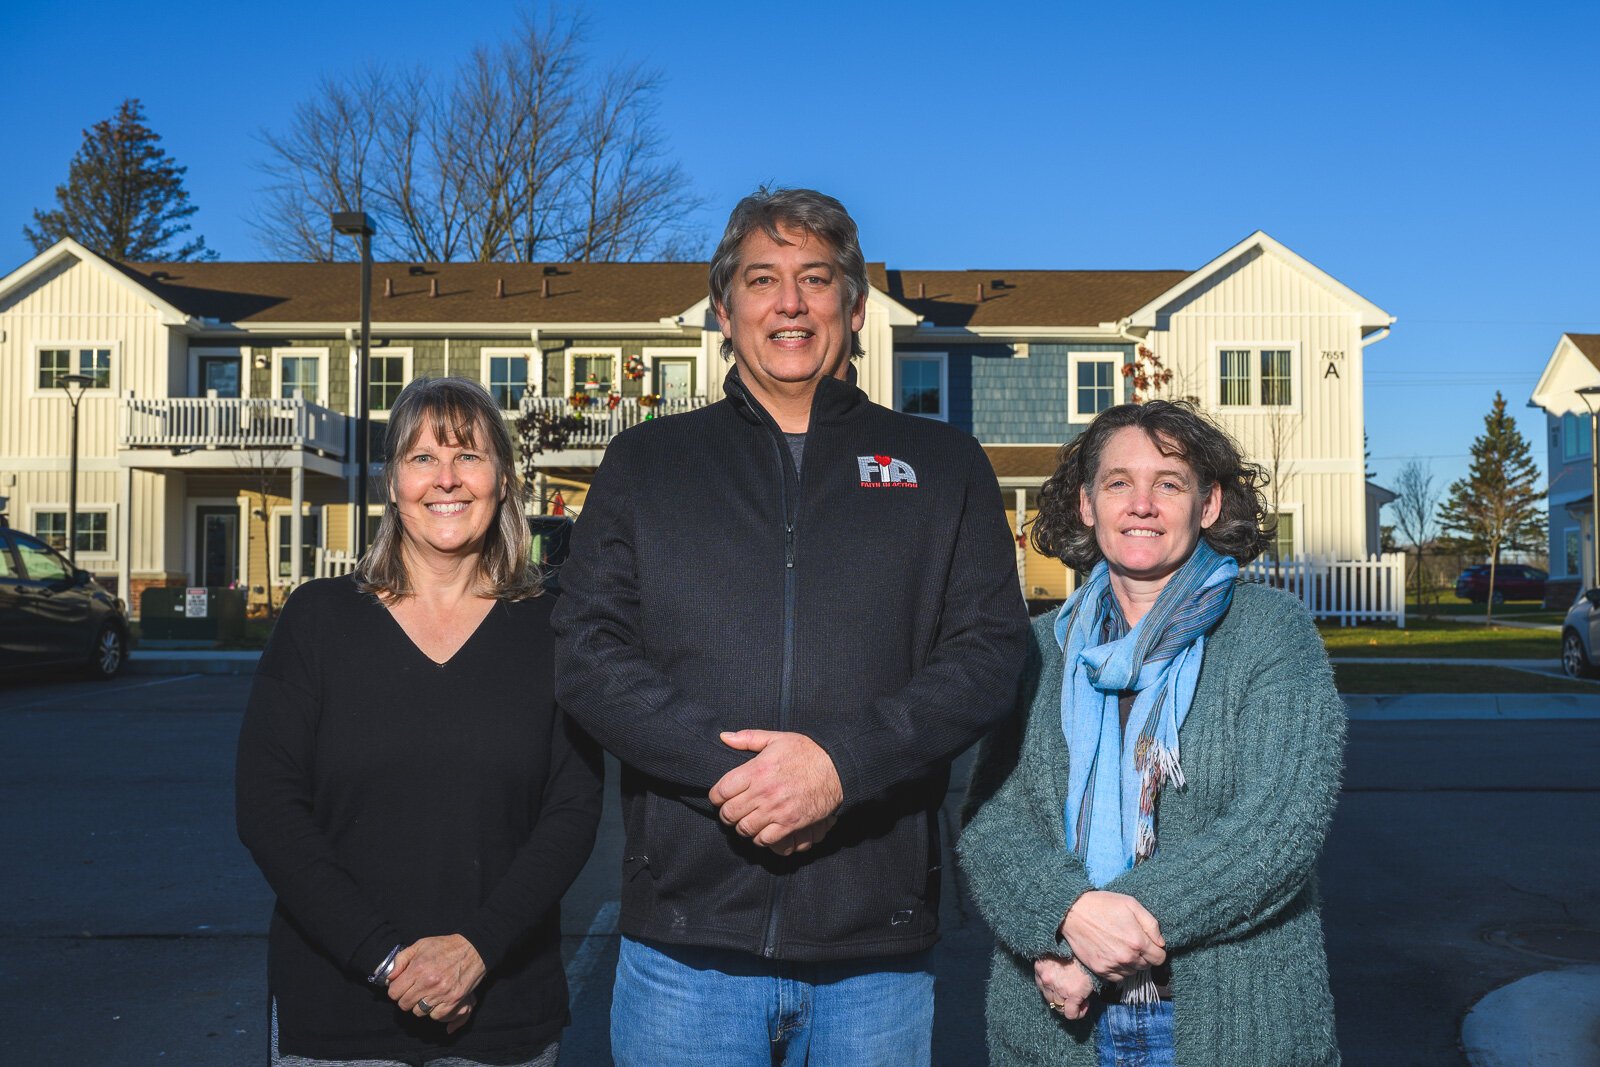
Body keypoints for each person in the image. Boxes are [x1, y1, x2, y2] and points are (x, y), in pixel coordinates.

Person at [551, 187, 1030, 1066]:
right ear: (723, 310)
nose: (790, 303)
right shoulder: (649, 463)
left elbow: (991, 653)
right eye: (763, 279)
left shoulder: (942, 464)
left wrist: (839, 768)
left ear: (852, 307)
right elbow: (587, 652)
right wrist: (749, 779)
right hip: (684, 946)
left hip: (874, 953)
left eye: (816, 279)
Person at [958, 400, 1345, 1066]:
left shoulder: (1269, 634)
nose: (1141, 503)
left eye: (1168, 483)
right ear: (1086, 505)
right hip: (1057, 1026)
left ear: (1210, 503)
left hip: (1232, 1026)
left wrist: (1092, 946)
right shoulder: (1036, 650)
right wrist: (1065, 912)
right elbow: (991, 821)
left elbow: (1278, 825)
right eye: (1118, 483)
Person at [236, 376, 602, 1066]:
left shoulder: (554, 630)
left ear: (502, 479)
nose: (447, 479)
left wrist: (476, 950)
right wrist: (384, 959)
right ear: (393, 482)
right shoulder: (318, 620)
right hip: (338, 1013)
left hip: (503, 1015)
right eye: (422, 457)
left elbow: (573, 812)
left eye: (469, 455)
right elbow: (268, 808)